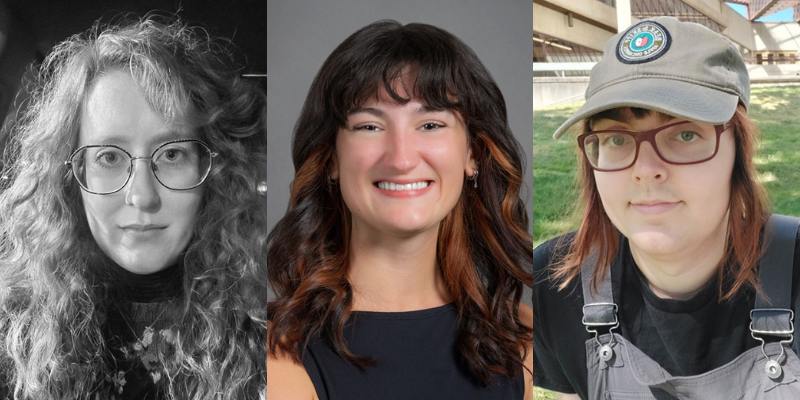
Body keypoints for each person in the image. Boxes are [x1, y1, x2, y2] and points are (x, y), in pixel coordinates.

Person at [534, 16, 800, 400]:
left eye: (685, 133)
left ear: (738, 150)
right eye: (616, 138)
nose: (645, 171)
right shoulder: (552, 286)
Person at [0, 16, 267, 399]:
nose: (142, 196)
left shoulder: (272, 323)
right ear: (73, 179)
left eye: (172, 154)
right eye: (109, 157)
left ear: (213, 169)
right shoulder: (13, 336)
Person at [266, 20, 533, 400]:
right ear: (331, 159)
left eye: (430, 124)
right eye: (369, 126)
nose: (402, 159)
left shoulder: (525, 341)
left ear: (472, 153)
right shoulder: (277, 354)